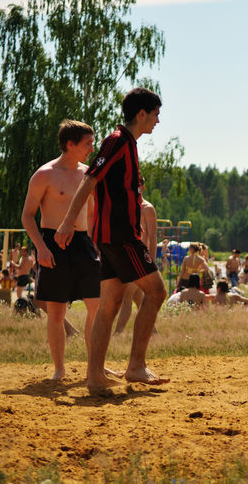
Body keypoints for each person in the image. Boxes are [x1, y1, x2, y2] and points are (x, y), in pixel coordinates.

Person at [55, 87, 168, 391]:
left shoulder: (126, 143)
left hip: (111, 236)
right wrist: (68, 222)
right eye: (156, 114)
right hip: (120, 236)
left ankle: (94, 376)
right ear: (141, 114)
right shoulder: (118, 140)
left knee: (110, 303)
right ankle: (136, 366)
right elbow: (90, 178)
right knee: (157, 292)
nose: (158, 120)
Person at [20, 120, 104, 380]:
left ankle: (95, 367)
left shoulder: (88, 174)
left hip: (83, 244)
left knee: (97, 307)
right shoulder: (44, 175)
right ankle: (59, 369)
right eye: (88, 143)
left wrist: (98, 245)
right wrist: (41, 248)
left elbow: (94, 213)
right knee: (56, 312)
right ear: (70, 144)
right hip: (52, 244)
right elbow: (27, 216)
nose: (92, 148)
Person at [114, 176, 158, 335]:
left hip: (142, 258)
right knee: (138, 298)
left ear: (143, 187)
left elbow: (153, 237)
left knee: (126, 296)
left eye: (138, 185)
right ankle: (153, 332)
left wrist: (152, 262)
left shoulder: (147, 208)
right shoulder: (127, 207)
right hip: (128, 257)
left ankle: (117, 334)